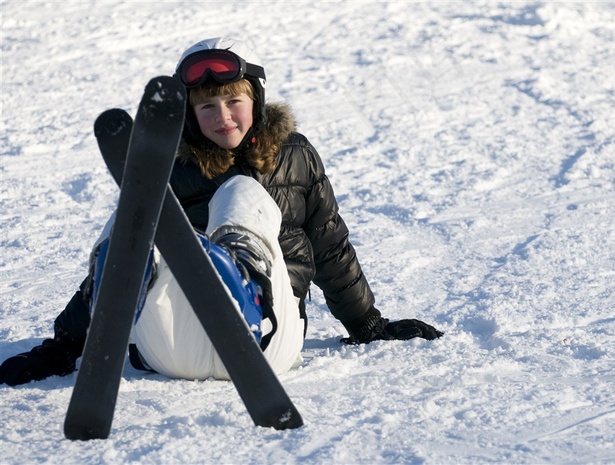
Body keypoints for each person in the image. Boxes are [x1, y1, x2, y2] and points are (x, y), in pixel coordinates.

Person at [0, 36, 443, 387]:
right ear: (191, 116)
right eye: (207, 106)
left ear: (257, 102)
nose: (223, 117)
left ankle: (243, 283)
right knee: (134, 212)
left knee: (240, 193)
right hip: (171, 341)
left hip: (267, 335)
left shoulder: (295, 156)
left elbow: (329, 246)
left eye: (234, 102)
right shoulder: (171, 168)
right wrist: (60, 349)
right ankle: (125, 294)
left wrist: (366, 323)